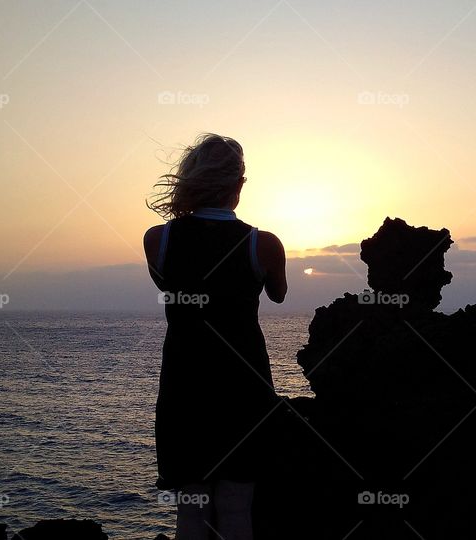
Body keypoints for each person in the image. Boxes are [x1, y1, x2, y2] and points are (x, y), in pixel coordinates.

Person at [143, 133, 287, 540]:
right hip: (244, 387)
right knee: (237, 508)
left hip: (183, 386)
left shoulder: (158, 239)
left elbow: (166, 284)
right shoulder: (263, 244)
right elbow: (278, 294)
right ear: (239, 184)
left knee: (191, 512)